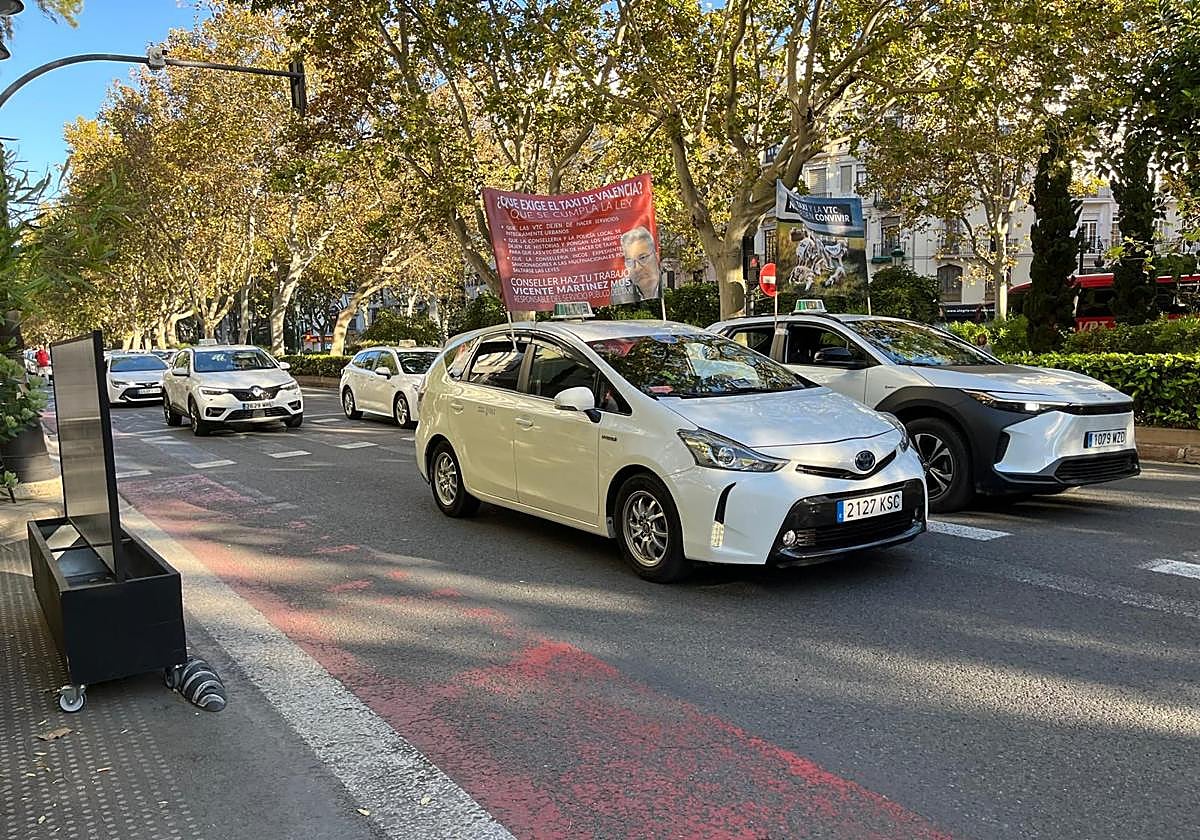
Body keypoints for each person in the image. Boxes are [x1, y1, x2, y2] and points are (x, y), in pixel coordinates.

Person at [610, 225, 662, 305]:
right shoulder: (619, 291)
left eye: (642, 258)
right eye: (630, 261)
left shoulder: (669, 285)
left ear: (656, 257)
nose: (637, 268)